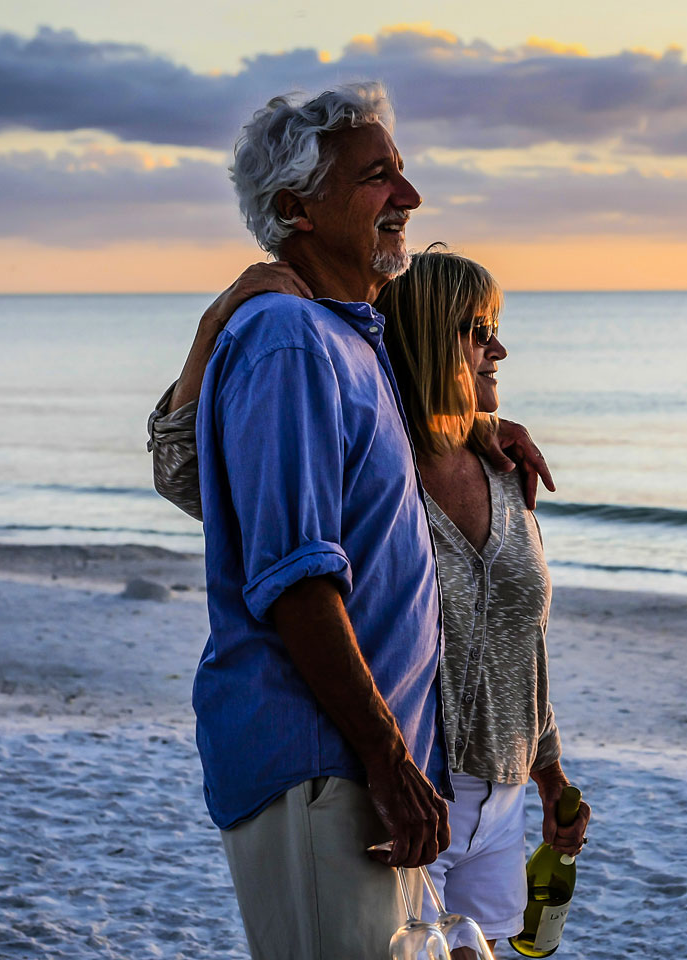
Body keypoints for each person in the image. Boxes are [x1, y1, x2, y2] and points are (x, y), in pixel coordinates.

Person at [152, 244, 591, 956]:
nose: (499, 348)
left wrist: (549, 773)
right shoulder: (372, 475)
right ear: (425, 336)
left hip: (505, 795)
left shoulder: (504, 469)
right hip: (419, 786)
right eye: (478, 330)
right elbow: (187, 477)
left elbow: (521, 642)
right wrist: (214, 325)